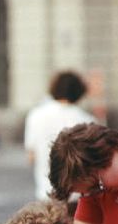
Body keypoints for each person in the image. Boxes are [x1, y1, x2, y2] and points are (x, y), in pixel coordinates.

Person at [23, 70, 90, 199]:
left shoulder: (35, 115)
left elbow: (31, 157)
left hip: (46, 193)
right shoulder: (86, 120)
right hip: (78, 196)